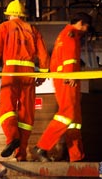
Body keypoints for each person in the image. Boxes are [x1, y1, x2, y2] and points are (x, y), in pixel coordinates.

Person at [0, 0, 50, 161]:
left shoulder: (5, 27)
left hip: (11, 71)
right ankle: (20, 154)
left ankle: (12, 138)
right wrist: (42, 74)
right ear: (22, 15)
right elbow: (43, 54)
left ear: (9, 15)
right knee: (26, 115)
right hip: (28, 72)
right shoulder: (32, 29)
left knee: (5, 108)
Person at [32, 12, 92, 162]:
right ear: (81, 23)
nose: (86, 31)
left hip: (66, 79)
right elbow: (70, 58)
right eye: (86, 27)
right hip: (68, 80)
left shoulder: (64, 35)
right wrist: (71, 74)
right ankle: (42, 147)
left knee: (75, 121)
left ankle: (76, 156)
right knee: (67, 115)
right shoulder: (71, 35)